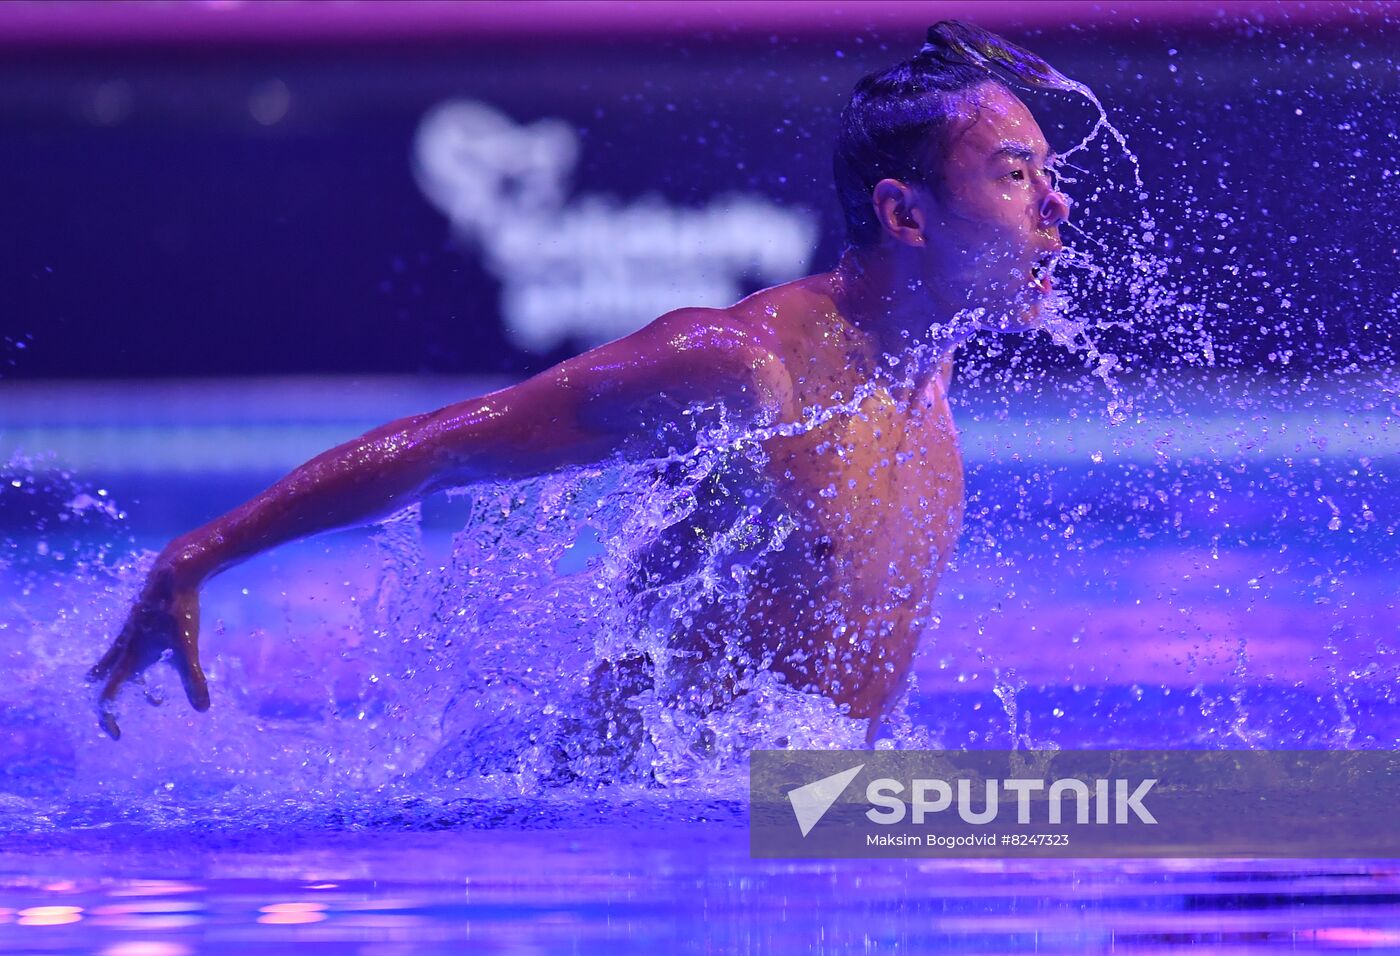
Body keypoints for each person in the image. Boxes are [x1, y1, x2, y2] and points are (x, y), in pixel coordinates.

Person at [89, 21, 1072, 743]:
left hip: (798, 829)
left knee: (1093, 829)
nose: (1056, 205)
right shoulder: (746, 369)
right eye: (1016, 174)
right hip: (647, 839)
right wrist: (200, 554)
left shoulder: (923, 369)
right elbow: (448, 445)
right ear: (904, 216)